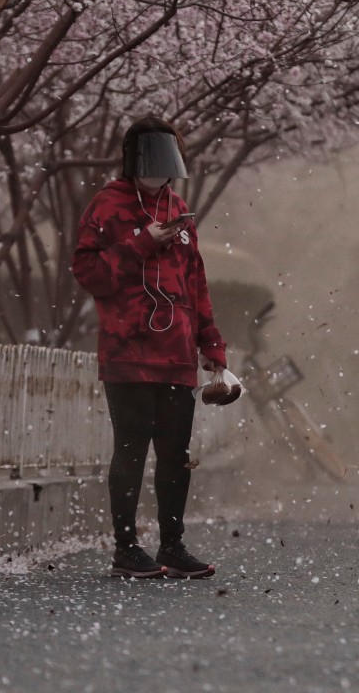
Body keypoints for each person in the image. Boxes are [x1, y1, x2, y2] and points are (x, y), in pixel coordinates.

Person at [71, 116, 227, 579]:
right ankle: (126, 548)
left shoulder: (180, 211)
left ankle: (172, 546)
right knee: (131, 450)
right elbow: (87, 272)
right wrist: (139, 243)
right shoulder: (107, 205)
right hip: (127, 351)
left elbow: (195, 281)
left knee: (176, 454)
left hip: (176, 353)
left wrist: (211, 343)